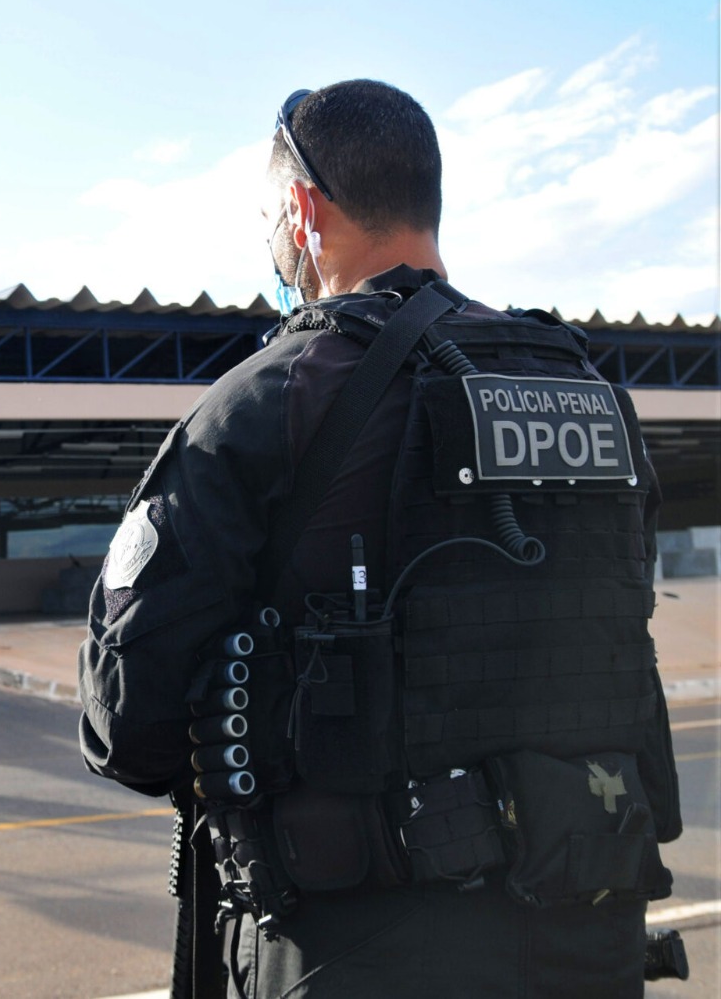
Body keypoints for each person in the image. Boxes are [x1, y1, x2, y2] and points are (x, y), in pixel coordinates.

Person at [78, 80, 683, 997]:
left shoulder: (263, 404)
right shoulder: (593, 396)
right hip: (586, 941)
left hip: (355, 951)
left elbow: (128, 725)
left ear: (302, 210)